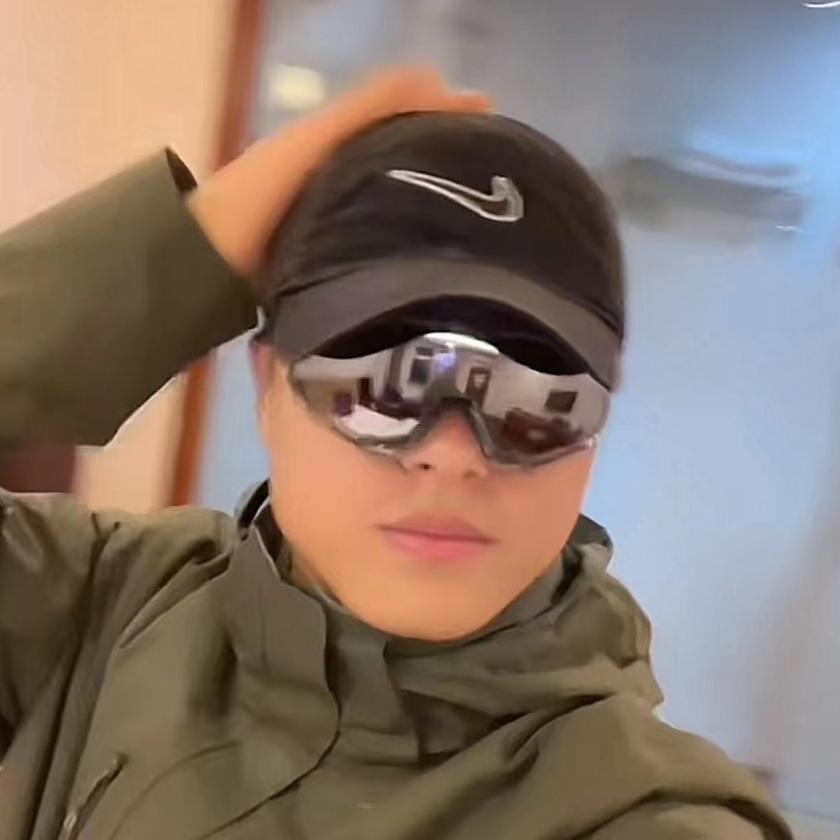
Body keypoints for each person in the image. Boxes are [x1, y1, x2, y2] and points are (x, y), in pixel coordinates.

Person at [0, 68, 790, 840]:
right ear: (270, 385)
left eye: (533, 401)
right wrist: (199, 238)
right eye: (380, 386)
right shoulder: (92, 603)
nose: (451, 455)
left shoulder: (641, 813)